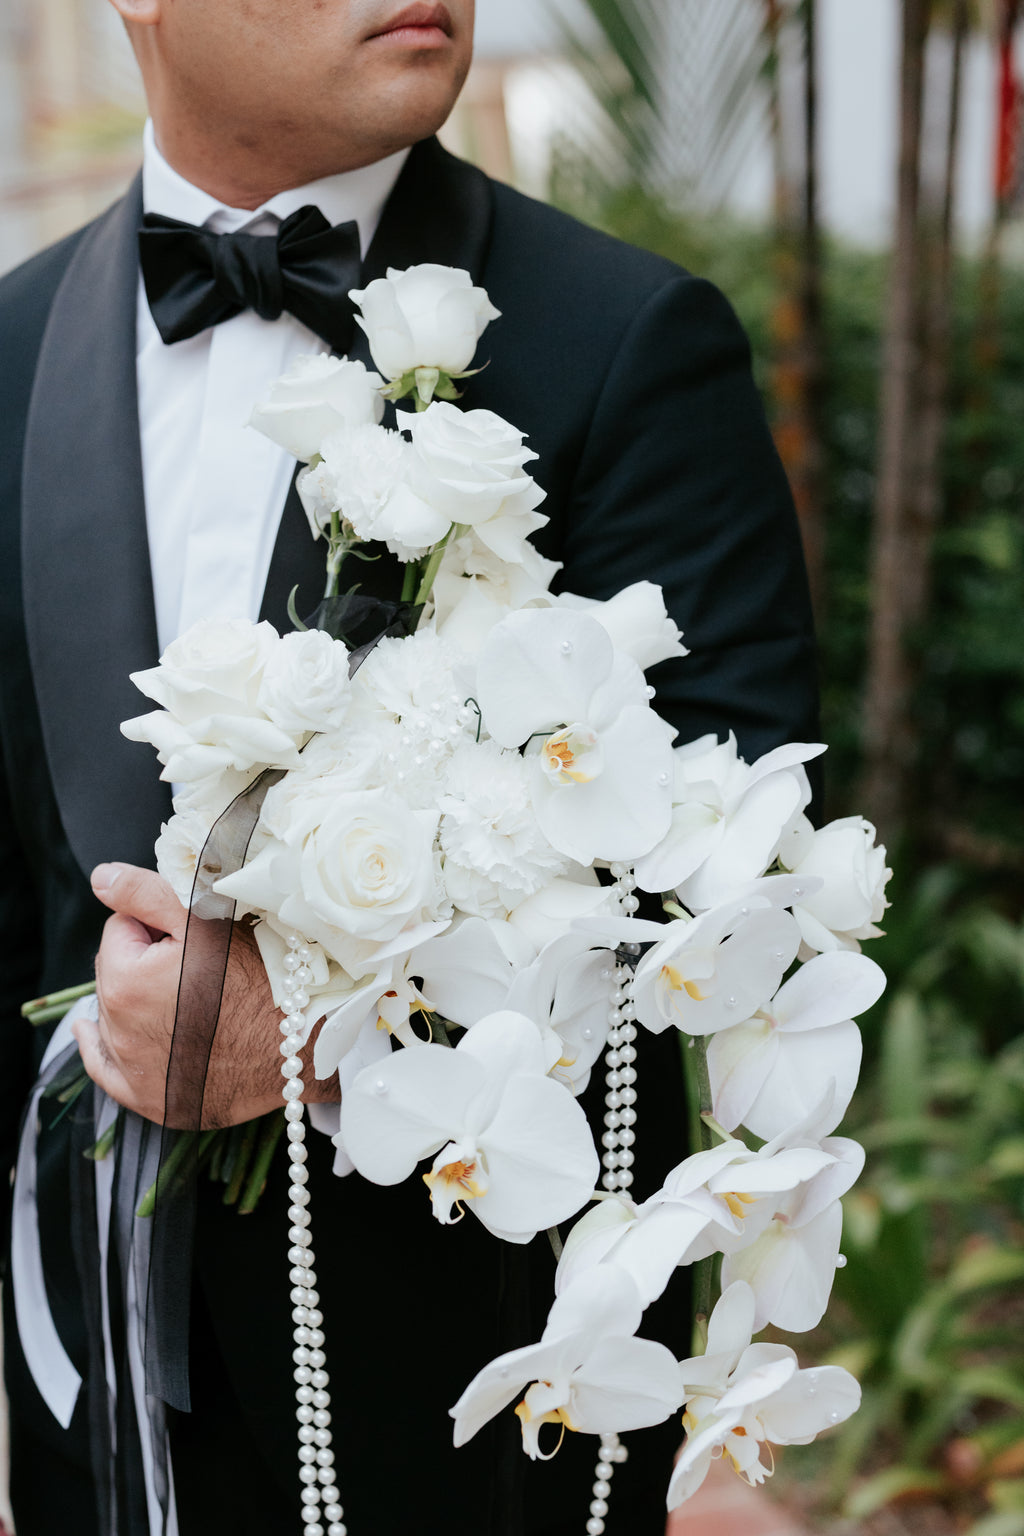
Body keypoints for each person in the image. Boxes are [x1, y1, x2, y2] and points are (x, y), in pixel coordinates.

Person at [0, 1, 819, 1532]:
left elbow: (733, 871)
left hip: (482, 1393)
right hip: (93, 1399)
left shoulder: (624, 336)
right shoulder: (10, 346)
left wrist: (321, 1033)